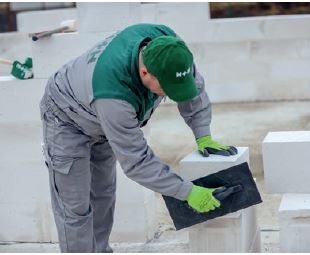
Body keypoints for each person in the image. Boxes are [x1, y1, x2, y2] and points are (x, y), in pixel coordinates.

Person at [39, 23, 237, 252]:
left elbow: (193, 92)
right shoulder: (113, 95)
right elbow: (137, 162)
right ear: (145, 73)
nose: (171, 95)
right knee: (75, 206)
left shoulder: (172, 51)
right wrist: (187, 192)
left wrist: (203, 136)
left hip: (100, 117)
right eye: (167, 89)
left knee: (102, 195)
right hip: (66, 118)